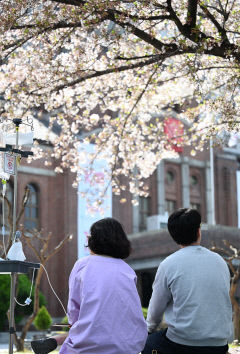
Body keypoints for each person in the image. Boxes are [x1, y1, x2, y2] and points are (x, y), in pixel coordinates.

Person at [31, 217, 147, 354]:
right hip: (130, 344)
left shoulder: (83, 265)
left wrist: (75, 327)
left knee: (77, 339)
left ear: (93, 242)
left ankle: (57, 339)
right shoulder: (127, 269)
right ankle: (59, 339)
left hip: (91, 347)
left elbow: (74, 310)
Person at [143, 208, 233, 354]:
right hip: (220, 344)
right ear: (199, 231)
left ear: (174, 236)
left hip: (183, 344)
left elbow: (155, 314)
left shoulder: (168, 264)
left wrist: (149, 330)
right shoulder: (220, 262)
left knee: (148, 343)